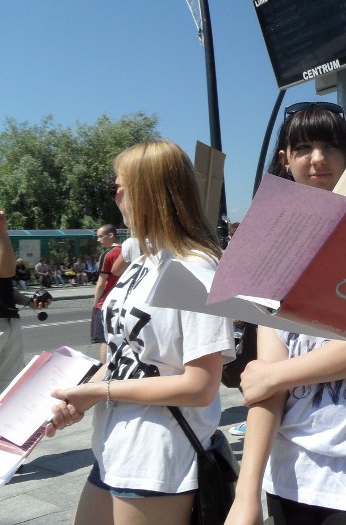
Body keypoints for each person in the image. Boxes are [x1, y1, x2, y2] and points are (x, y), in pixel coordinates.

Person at [225, 102, 346, 525]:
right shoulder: (271, 247)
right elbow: (265, 383)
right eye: (303, 148)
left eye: (330, 146)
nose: (317, 159)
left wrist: (276, 375)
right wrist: (247, 492)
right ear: (285, 160)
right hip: (290, 475)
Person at [46, 140, 235, 525]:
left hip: (159, 458)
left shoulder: (197, 269)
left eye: (120, 186)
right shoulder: (141, 261)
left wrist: (99, 391)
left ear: (150, 190)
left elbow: (200, 385)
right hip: (113, 448)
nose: (114, 195)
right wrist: (79, 400)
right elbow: (122, 357)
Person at [1, 211, 50, 391]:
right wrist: (3, 231)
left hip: (10, 322)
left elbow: (5, 285)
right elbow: (7, 271)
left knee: (11, 388)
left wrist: (30, 302)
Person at [91, 223, 122, 364]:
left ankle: (104, 371)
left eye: (100, 236)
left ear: (111, 235)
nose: (98, 240)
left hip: (106, 303)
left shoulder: (108, 254)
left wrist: (95, 303)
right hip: (123, 302)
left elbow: (101, 283)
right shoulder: (127, 253)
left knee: (104, 339)